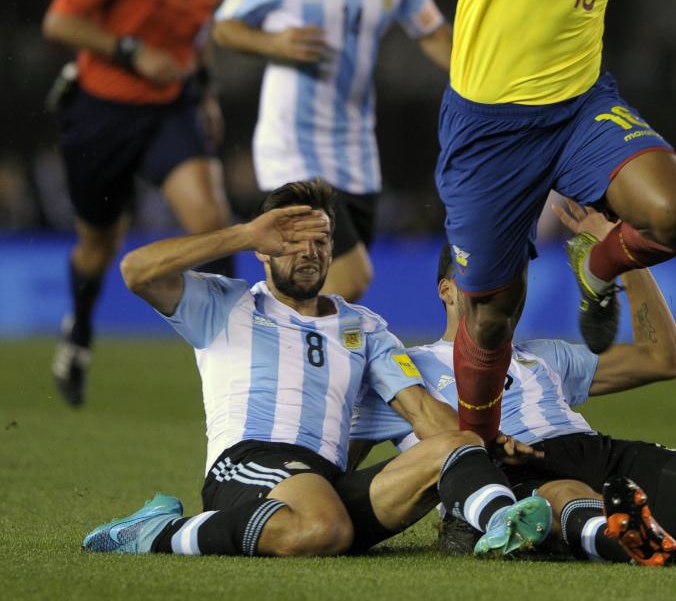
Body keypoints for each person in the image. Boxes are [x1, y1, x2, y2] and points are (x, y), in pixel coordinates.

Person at [81, 179, 551, 558]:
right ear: (264, 249)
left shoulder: (362, 326)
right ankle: (160, 533)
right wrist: (244, 234)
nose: (309, 251)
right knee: (323, 526)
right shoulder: (227, 305)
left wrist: (484, 445)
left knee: (458, 441)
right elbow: (134, 270)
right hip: (248, 466)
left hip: (324, 481)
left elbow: (423, 414)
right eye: (291, 240)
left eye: (321, 240)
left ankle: (504, 525)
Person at [439, 0, 676, 444]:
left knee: (675, 215)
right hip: (490, 127)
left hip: (579, 106)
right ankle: (474, 454)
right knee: (493, 313)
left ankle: (600, 265)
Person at [349, 201, 676, 566]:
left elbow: (667, 359)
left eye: (513, 271)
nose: (504, 283)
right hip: (511, 475)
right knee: (569, 495)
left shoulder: (545, 354)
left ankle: (637, 529)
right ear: (445, 289)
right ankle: (616, 534)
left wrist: (626, 256)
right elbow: (350, 463)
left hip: (599, 454)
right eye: (484, 274)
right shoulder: (406, 370)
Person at [213, 0, 452, 303]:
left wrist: (490, 73)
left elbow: (435, 35)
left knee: (333, 290)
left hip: (356, 150)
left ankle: (296, 362)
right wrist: (273, 42)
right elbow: (224, 28)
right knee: (349, 274)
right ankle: (265, 346)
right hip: (291, 146)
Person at [43, 0, 234, 407]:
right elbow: (59, 21)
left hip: (167, 112)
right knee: (98, 244)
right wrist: (129, 50)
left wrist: (209, 90)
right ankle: (78, 331)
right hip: (100, 114)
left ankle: (232, 351)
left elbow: (199, 34)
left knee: (210, 217)